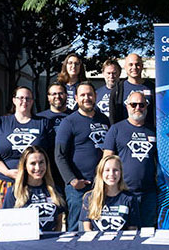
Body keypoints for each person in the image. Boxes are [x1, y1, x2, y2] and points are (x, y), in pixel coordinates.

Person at [0, 86, 51, 218]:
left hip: (33, 183)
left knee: (29, 222)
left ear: (32, 101)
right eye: (20, 98)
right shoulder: (1, 122)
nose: (24, 101)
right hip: (3, 180)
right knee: (2, 222)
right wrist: (7, 172)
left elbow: (49, 152)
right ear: (14, 100)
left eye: (28, 98)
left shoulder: (43, 123)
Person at [55, 81, 110, 231]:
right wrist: (72, 181)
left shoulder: (104, 120)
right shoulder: (69, 122)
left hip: (100, 185)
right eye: (83, 95)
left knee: (100, 226)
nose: (87, 98)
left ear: (95, 96)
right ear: (77, 98)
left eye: (90, 94)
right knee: (75, 229)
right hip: (79, 188)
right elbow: (59, 155)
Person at [102, 91, 157, 227]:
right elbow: (106, 161)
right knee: (125, 235)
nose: (137, 108)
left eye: (141, 105)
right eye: (133, 104)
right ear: (127, 106)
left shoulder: (154, 130)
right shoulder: (116, 129)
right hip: (123, 193)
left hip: (148, 194)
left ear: (146, 107)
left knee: (147, 234)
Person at [3, 146, 65, 232]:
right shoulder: (13, 192)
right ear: (24, 166)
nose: (38, 168)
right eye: (33, 163)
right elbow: (6, 224)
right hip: (25, 242)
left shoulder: (55, 190)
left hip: (51, 242)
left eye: (41, 162)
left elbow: (59, 222)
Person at [80, 155, 140, 231]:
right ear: (101, 173)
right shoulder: (89, 197)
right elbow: (87, 229)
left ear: (121, 172)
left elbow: (132, 229)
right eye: (107, 170)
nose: (111, 174)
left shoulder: (130, 198)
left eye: (115, 170)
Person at [37, 82, 72, 191]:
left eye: (61, 93)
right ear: (48, 97)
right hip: (47, 169)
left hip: (70, 167)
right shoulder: (39, 118)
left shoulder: (74, 116)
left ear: (66, 95)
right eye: (53, 94)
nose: (57, 96)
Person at [109, 53, 155, 126]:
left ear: (142, 66)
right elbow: (113, 116)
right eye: (130, 64)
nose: (134, 67)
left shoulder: (152, 88)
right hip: (124, 133)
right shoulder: (118, 89)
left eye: (137, 64)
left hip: (147, 133)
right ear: (125, 67)